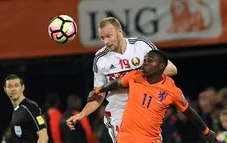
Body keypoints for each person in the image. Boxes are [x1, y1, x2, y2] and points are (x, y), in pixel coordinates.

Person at [66, 17, 177, 143]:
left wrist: (137, 76)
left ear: (120, 32)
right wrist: (82, 114)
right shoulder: (100, 59)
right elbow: (99, 95)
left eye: (109, 36)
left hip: (145, 110)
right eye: (103, 38)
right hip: (119, 112)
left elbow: (171, 68)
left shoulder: (140, 45)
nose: (106, 42)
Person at [78, 50, 217, 143]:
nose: (144, 62)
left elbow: (189, 112)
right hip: (125, 138)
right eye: (145, 59)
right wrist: (98, 90)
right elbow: (118, 83)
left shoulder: (171, 90)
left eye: (150, 60)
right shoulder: (135, 76)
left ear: (161, 66)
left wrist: (206, 131)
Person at [4, 74, 48, 143]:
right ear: (5, 90)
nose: (13, 89)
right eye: (9, 86)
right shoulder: (17, 110)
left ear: (22, 87)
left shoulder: (31, 107)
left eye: (16, 85)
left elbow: (43, 137)